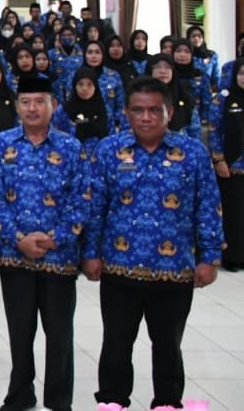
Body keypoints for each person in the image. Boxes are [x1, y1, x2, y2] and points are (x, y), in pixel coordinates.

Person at [83, 76, 223, 410]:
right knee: (116, 345)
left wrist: (209, 257)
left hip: (173, 269)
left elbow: (207, 206)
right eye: (138, 110)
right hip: (119, 268)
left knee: (168, 347)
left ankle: (167, 403)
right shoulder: (109, 151)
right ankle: (113, 402)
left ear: (169, 112)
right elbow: (95, 206)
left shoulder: (192, 153)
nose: (145, 117)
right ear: (126, 113)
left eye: (153, 110)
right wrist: (90, 253)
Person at [0, 76, 88, 411]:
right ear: (17, 106)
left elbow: (81, 199)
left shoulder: (71, 147)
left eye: (39, 102)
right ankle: (20, 395)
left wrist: (54, 239)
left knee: (59, 335)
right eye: (26, 102)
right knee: (20, 332)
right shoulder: (2, 144)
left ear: (53, 105)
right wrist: (18, 238)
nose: (32, 108)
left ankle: (58, 401)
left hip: (59, 257)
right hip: (15, 255)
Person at [209, 60, 244, 270]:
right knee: (234, 213)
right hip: (231, 166)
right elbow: (214, 130)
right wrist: (218, 159)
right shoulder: (222, 99)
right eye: (241, 73)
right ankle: (232, 257)